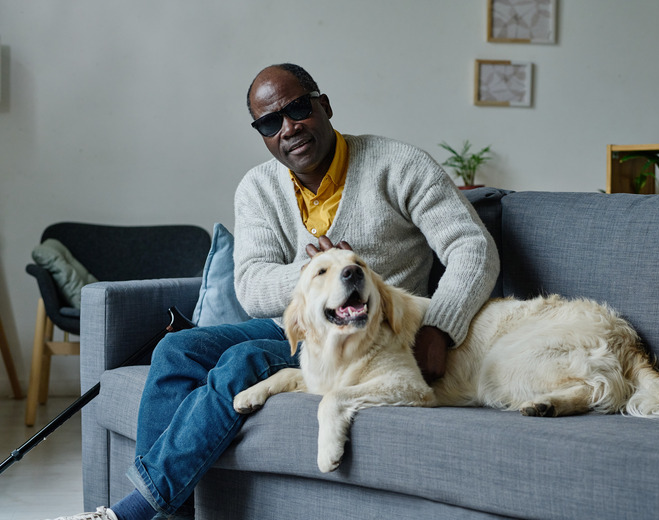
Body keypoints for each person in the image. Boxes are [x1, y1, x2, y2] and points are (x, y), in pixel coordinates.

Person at [50, 63, 499, 520]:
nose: (289, 128)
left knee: (244, 362)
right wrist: (314, 273)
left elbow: (472, 247)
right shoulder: (258, 188)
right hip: (300, 325)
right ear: (262, 134)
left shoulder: (399, 164)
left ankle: (129, 514)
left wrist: (440, 328)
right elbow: (250, 285)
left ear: (323, 105)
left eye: (298, 108)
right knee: (175, 350)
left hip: (373, 334)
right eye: (270, 122)